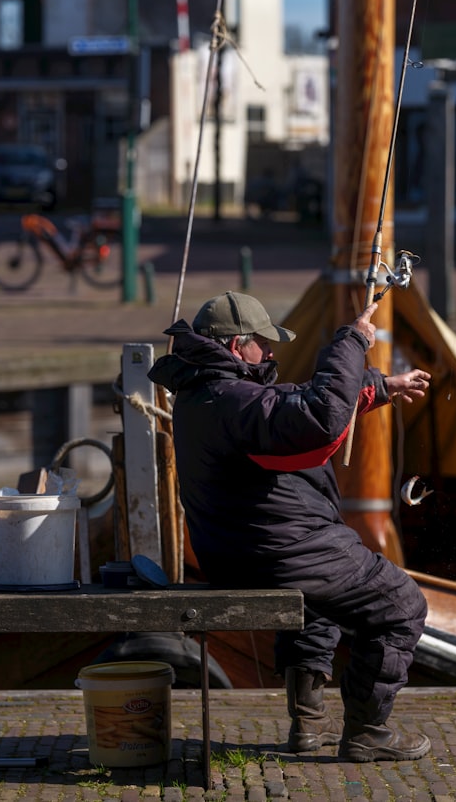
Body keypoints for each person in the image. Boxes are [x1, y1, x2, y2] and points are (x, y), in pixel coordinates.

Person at [147, 290, 433, 762]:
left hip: (245, 552)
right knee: (401, 604)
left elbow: (288, 405)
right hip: (279, 551)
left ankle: (308, 725)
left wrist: (380, 387)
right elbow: (317, 420)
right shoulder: (230, 398)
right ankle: (367, 732)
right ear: (238, 346)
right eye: (264, 341)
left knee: (317, 601)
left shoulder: (207, 393)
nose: (272, 351)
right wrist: (351, 341)